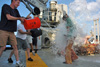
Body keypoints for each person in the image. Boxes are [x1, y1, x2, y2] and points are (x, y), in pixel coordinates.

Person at [0, 0, 25, 66]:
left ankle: (18, 62)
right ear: (13, 1)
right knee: (3, 47)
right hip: (4, 30)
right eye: (18, 3)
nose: (19, 4)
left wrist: (25, 18)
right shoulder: (5, 6)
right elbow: (8, 17)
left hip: (12, 32)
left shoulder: (16, 11)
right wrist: (19, 18)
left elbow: (20, 18)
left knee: (15, 46)